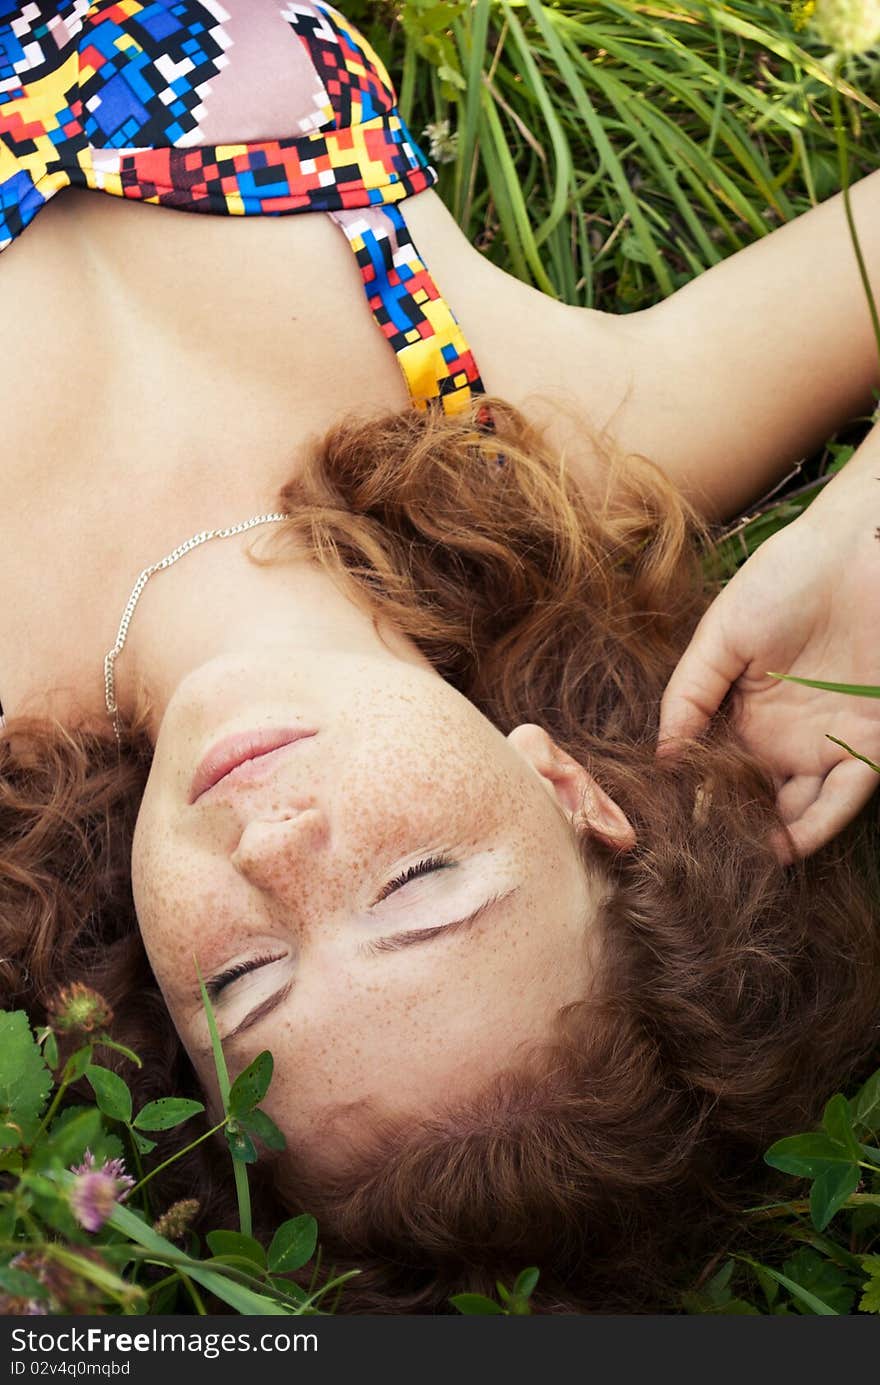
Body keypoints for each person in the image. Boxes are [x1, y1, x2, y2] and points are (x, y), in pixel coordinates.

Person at [2, 1, 880, 1312]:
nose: (277, 849)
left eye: (246, 978)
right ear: (578, 794)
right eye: (416, 884)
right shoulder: (552, 442)